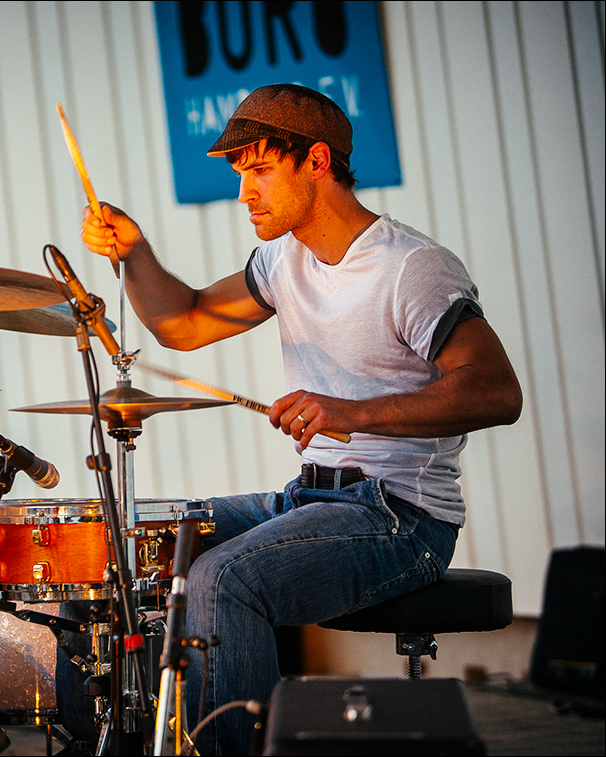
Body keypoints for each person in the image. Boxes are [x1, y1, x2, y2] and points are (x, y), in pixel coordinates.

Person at [77, 83, 522, 754]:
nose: (243, 193)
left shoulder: (411, 268)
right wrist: (135, 253)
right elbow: (185, 320)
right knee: (133, 536)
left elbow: (496, 391)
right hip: (310, 496)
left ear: (316, 161)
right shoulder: (284, 259)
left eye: (258, 171)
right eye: (239, 175)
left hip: (401, 516)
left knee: (222, 579)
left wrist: (354, 411)